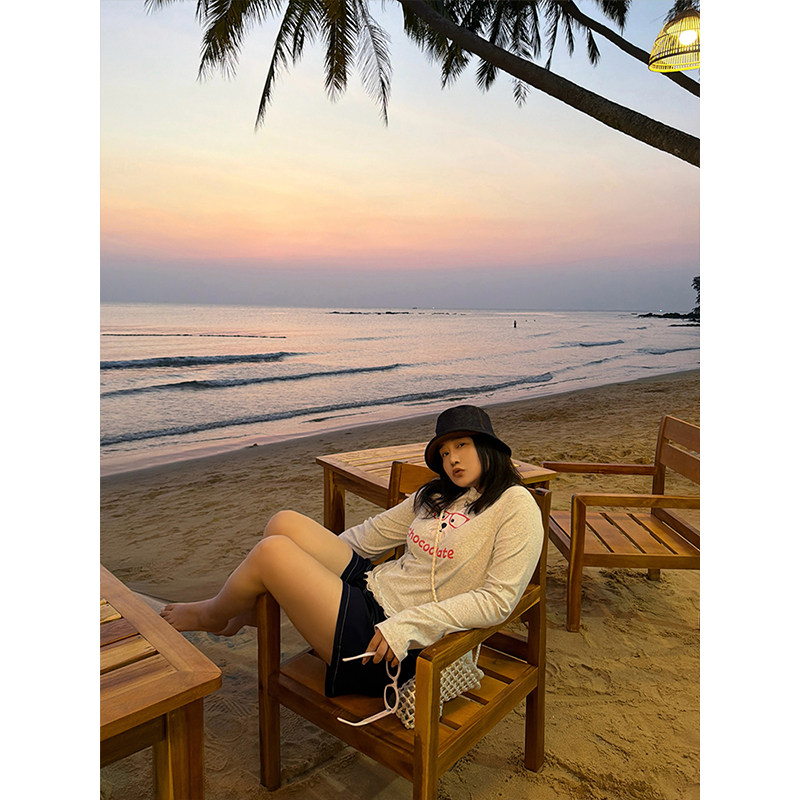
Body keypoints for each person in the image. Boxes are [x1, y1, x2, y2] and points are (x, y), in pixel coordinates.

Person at [161, 404, 544, 699]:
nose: (452, 459)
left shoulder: (515, 505)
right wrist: (311, 567)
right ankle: (248, 609)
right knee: (284, 525)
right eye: (444, 452)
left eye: (461, 445)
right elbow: (369, 536)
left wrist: (407, 626)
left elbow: (498, 600)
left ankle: (214, 615)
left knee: (272, 553)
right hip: (373, 587)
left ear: (488, 447)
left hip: (391, 642)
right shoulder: (436, 495)